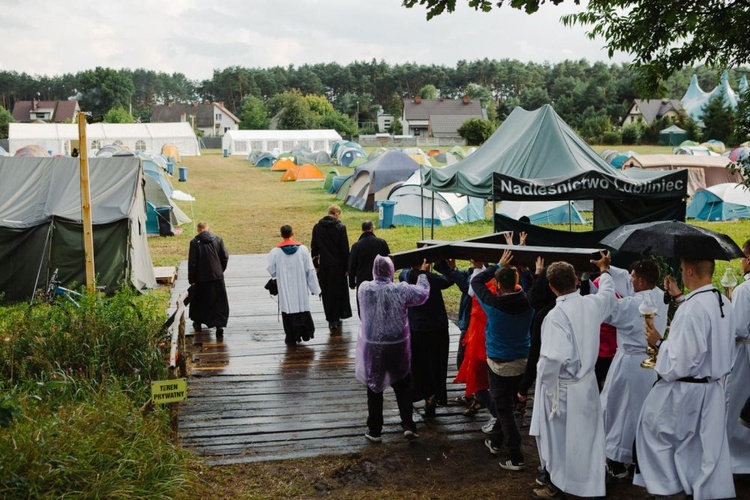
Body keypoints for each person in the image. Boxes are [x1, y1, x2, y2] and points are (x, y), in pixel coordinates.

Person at [634, 258, 735, 499]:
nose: (681, 273)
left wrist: (658, 342)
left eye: (681, 270)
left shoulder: (693, 308)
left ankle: (668, 488)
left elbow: (681, 362)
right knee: (699, 447)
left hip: (686, 390)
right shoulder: (722, 300)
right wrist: (679, 297)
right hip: (712, 389)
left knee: (653, 431)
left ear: (690, 270)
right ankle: (692, 487)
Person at [530, 252, 617, 499]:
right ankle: (590, 479)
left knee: (560, 441)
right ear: (577, 280)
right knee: (587, 437)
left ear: (551, 288)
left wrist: (544, 383)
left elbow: (552, 358)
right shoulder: (592, 304)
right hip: (588, 384)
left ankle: (560, 482)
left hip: (564, 389)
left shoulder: (555, 317)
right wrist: (605, 271)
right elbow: (608, 294)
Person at [598, 259, 666, 480]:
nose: (630, 279)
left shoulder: (632, 305)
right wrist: (609, 266)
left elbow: (608, 309)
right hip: (652, 362)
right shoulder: (659, 295)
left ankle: (616, 458)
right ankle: (639, 456)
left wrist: (604, 275)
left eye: (634, 276)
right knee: (641, 412)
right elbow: (628, 281)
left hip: (629, 363)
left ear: (642, 280)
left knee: (618, 411)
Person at [355, 255, 430, 442]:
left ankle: (374, 430)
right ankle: (408, 425)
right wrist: (422, 273)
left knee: (374, 387)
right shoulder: (401, 290)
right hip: (397, 345)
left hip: (373, 347)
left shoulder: (364, 289)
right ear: (392, 270)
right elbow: (422, 294)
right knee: (403, 385)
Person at [471, 249, 534, 471]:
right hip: (523, 361)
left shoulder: (493, 303)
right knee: (507, 404)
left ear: (497, 285)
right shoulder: (529, 302)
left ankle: (516, 455)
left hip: (498, 363)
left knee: (503, 409)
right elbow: (536, 287)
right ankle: (496, 442)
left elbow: (477, 280)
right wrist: (531, 272)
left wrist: (496, 265)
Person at [400, 260, 454, 416]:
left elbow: (405, 272)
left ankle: (426, 394)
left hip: (417, 327)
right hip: (436, 328)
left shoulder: (407, 276)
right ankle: (434, 395)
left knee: (420, 365)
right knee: (436, 364)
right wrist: (444, 265)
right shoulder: (431, 278)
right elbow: (449, 280)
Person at [267, 225, 321, 346]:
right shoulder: (302, 250)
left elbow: (271, 269)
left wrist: (279, 273)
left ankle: (291, 336)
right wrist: (315, 288)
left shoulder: (276, 252)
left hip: (285, 286)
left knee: (288, 310)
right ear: (293, 233)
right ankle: (305, 333)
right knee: (302, 308)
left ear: (281, 234)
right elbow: (310, 270)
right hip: (300, 285)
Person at [726, 239, 750, 474]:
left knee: (737, 403)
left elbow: (740, 328)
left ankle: (737, 457)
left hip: (745, 353)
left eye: (743, 257)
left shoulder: (745, 289)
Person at [311, 204, 352, 332]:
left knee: (327, 292)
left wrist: (316, 266)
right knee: (339, 291)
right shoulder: (340, 227)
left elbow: (314, 248)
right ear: (337, 214)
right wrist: (347, 267)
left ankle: (331, 319)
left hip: (325, 266)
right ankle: (340, 314)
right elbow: (345, 249)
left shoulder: (317, 227)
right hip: (338, 266)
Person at [188, 221, 229, 338]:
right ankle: (219, 326)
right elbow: (225, 257)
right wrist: (220, 270)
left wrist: (192, 279)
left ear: (198, 230)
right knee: (219, 302)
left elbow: (192, 263)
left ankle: (198, 322)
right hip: (217, 277)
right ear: (208, 228)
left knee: (200, 301)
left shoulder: (194, 242)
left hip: (201, 278)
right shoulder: (218, 239)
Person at [348, 220, 390, 316]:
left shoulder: (356, 246)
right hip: (380, 280)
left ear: (362, 230)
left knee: (363, 306)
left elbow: (352, 266)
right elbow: (388, 262)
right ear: (372, 229)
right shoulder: (382, 243)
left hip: (363, 281)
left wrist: (351, 283)